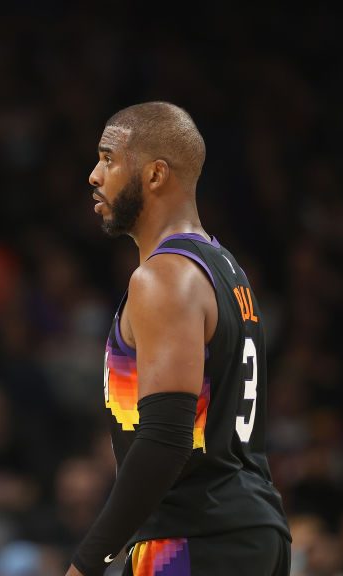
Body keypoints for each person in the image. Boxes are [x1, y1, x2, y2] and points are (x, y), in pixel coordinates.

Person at [66, 102, 289, 575]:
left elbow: (166, 439)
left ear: (155, 175)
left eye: (108, 159)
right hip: (247, 532)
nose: (93, 175)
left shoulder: (163, 278)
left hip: (194, 539)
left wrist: (87, 563)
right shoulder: (225, 270)